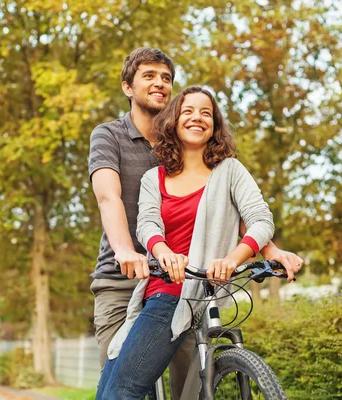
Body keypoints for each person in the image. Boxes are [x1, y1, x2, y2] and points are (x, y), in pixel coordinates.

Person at [88, 49, 303, 399]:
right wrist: (129, 251)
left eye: (166, 78)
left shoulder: (216, 163)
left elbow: (227, 212)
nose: (159, 83)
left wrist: (268, 249)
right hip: (123, 277)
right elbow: (112, 200)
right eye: (149, 76)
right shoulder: (115, 140)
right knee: (120, 384)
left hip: (191, 284)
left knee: (186, 386)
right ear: (128, 87)